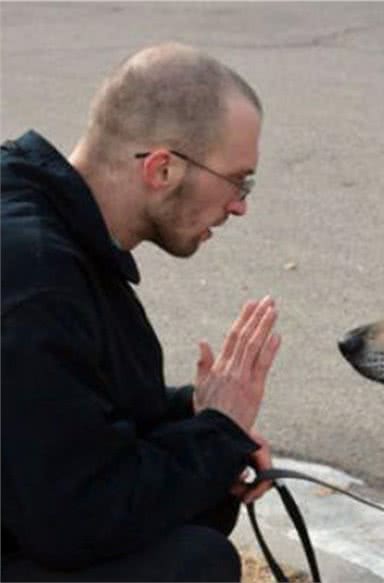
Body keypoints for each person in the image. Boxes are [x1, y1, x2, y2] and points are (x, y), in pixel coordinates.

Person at [1, 43, 282, 581]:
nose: (241, 204)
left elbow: (72, 419)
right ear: (162, 169)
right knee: (193, 564)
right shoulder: (35, 281)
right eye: (238, 181)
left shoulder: (48, 225)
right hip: (40, 524)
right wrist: (215, 438)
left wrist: (202, 418)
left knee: (192, 511)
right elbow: (76, 520)